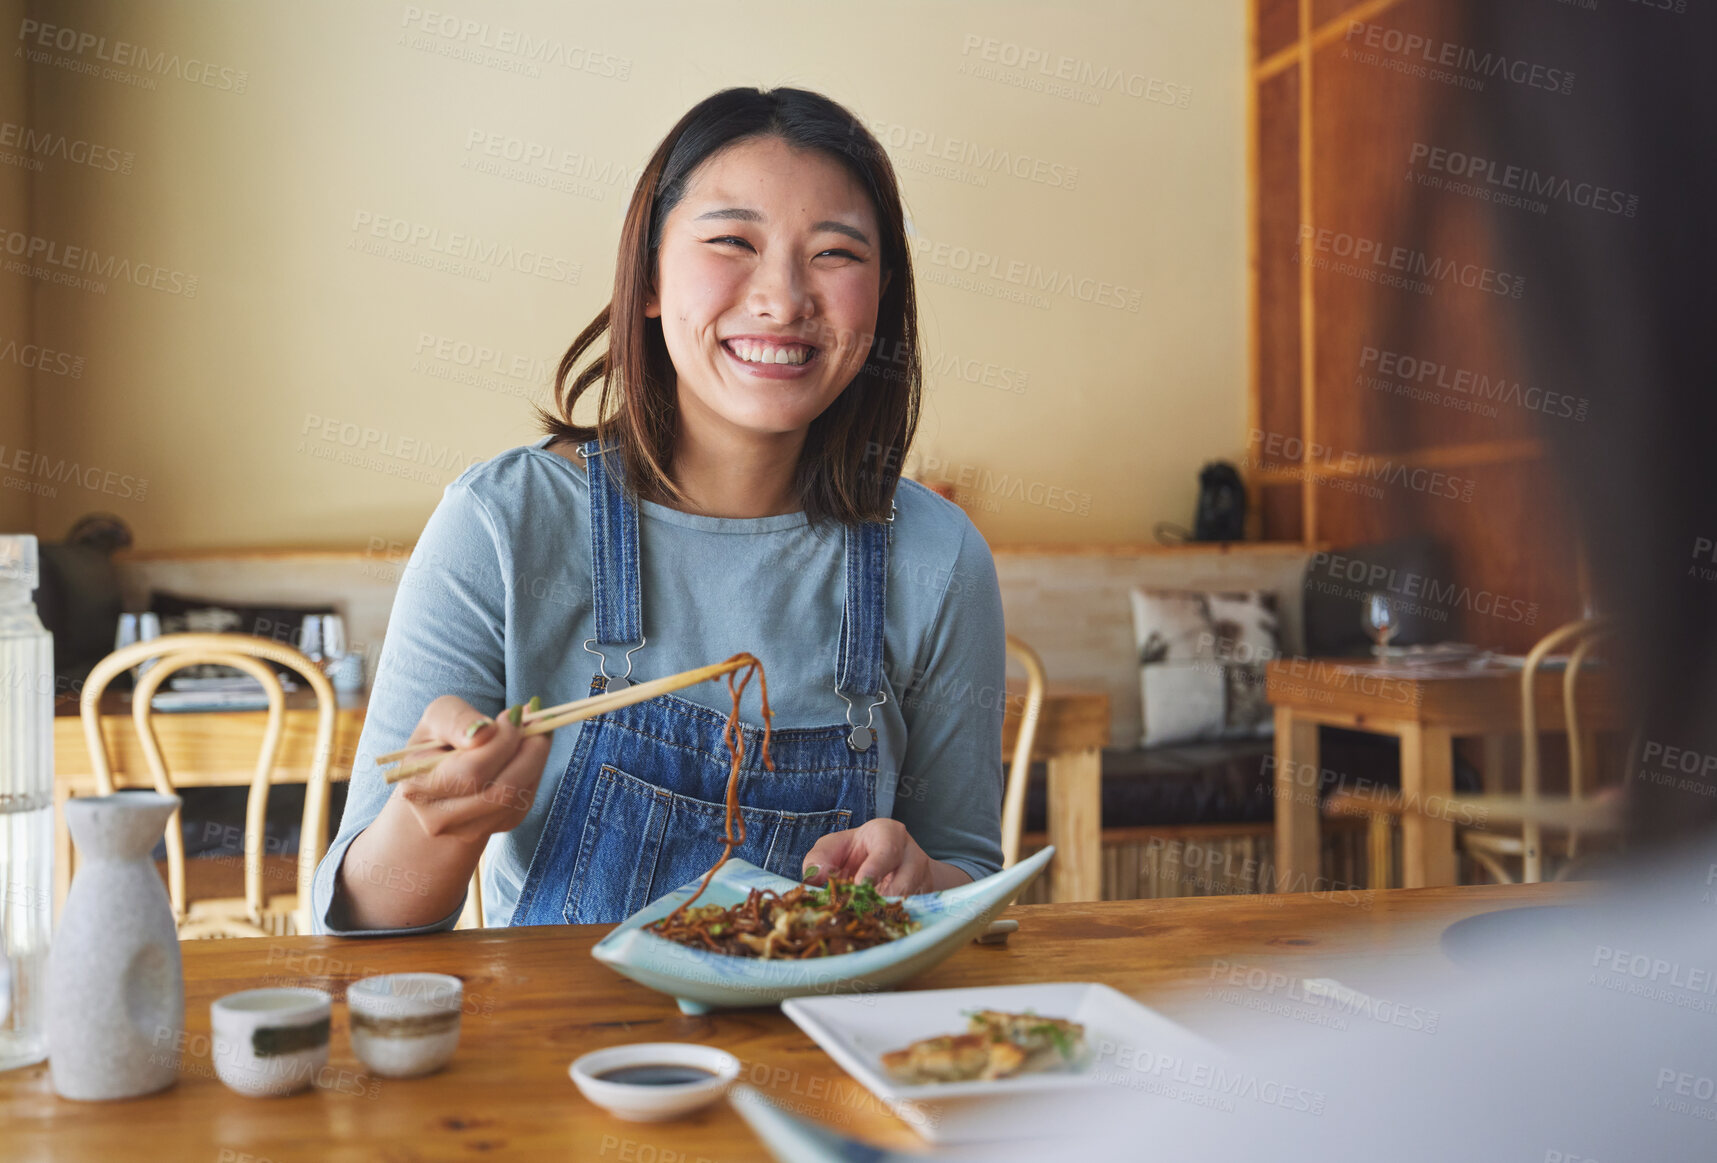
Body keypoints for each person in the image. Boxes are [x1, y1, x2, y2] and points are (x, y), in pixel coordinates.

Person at [311, 87, 1007, 934]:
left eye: (834, 253)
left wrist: (921, 878)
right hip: (567, 1060)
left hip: (830, 1053)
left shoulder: (936, 556)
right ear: (646, 277)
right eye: (731, 242)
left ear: (883, 297)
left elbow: (970, 879)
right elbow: (355, 924)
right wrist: (434, 821)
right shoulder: (502, 523)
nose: (783, 297)